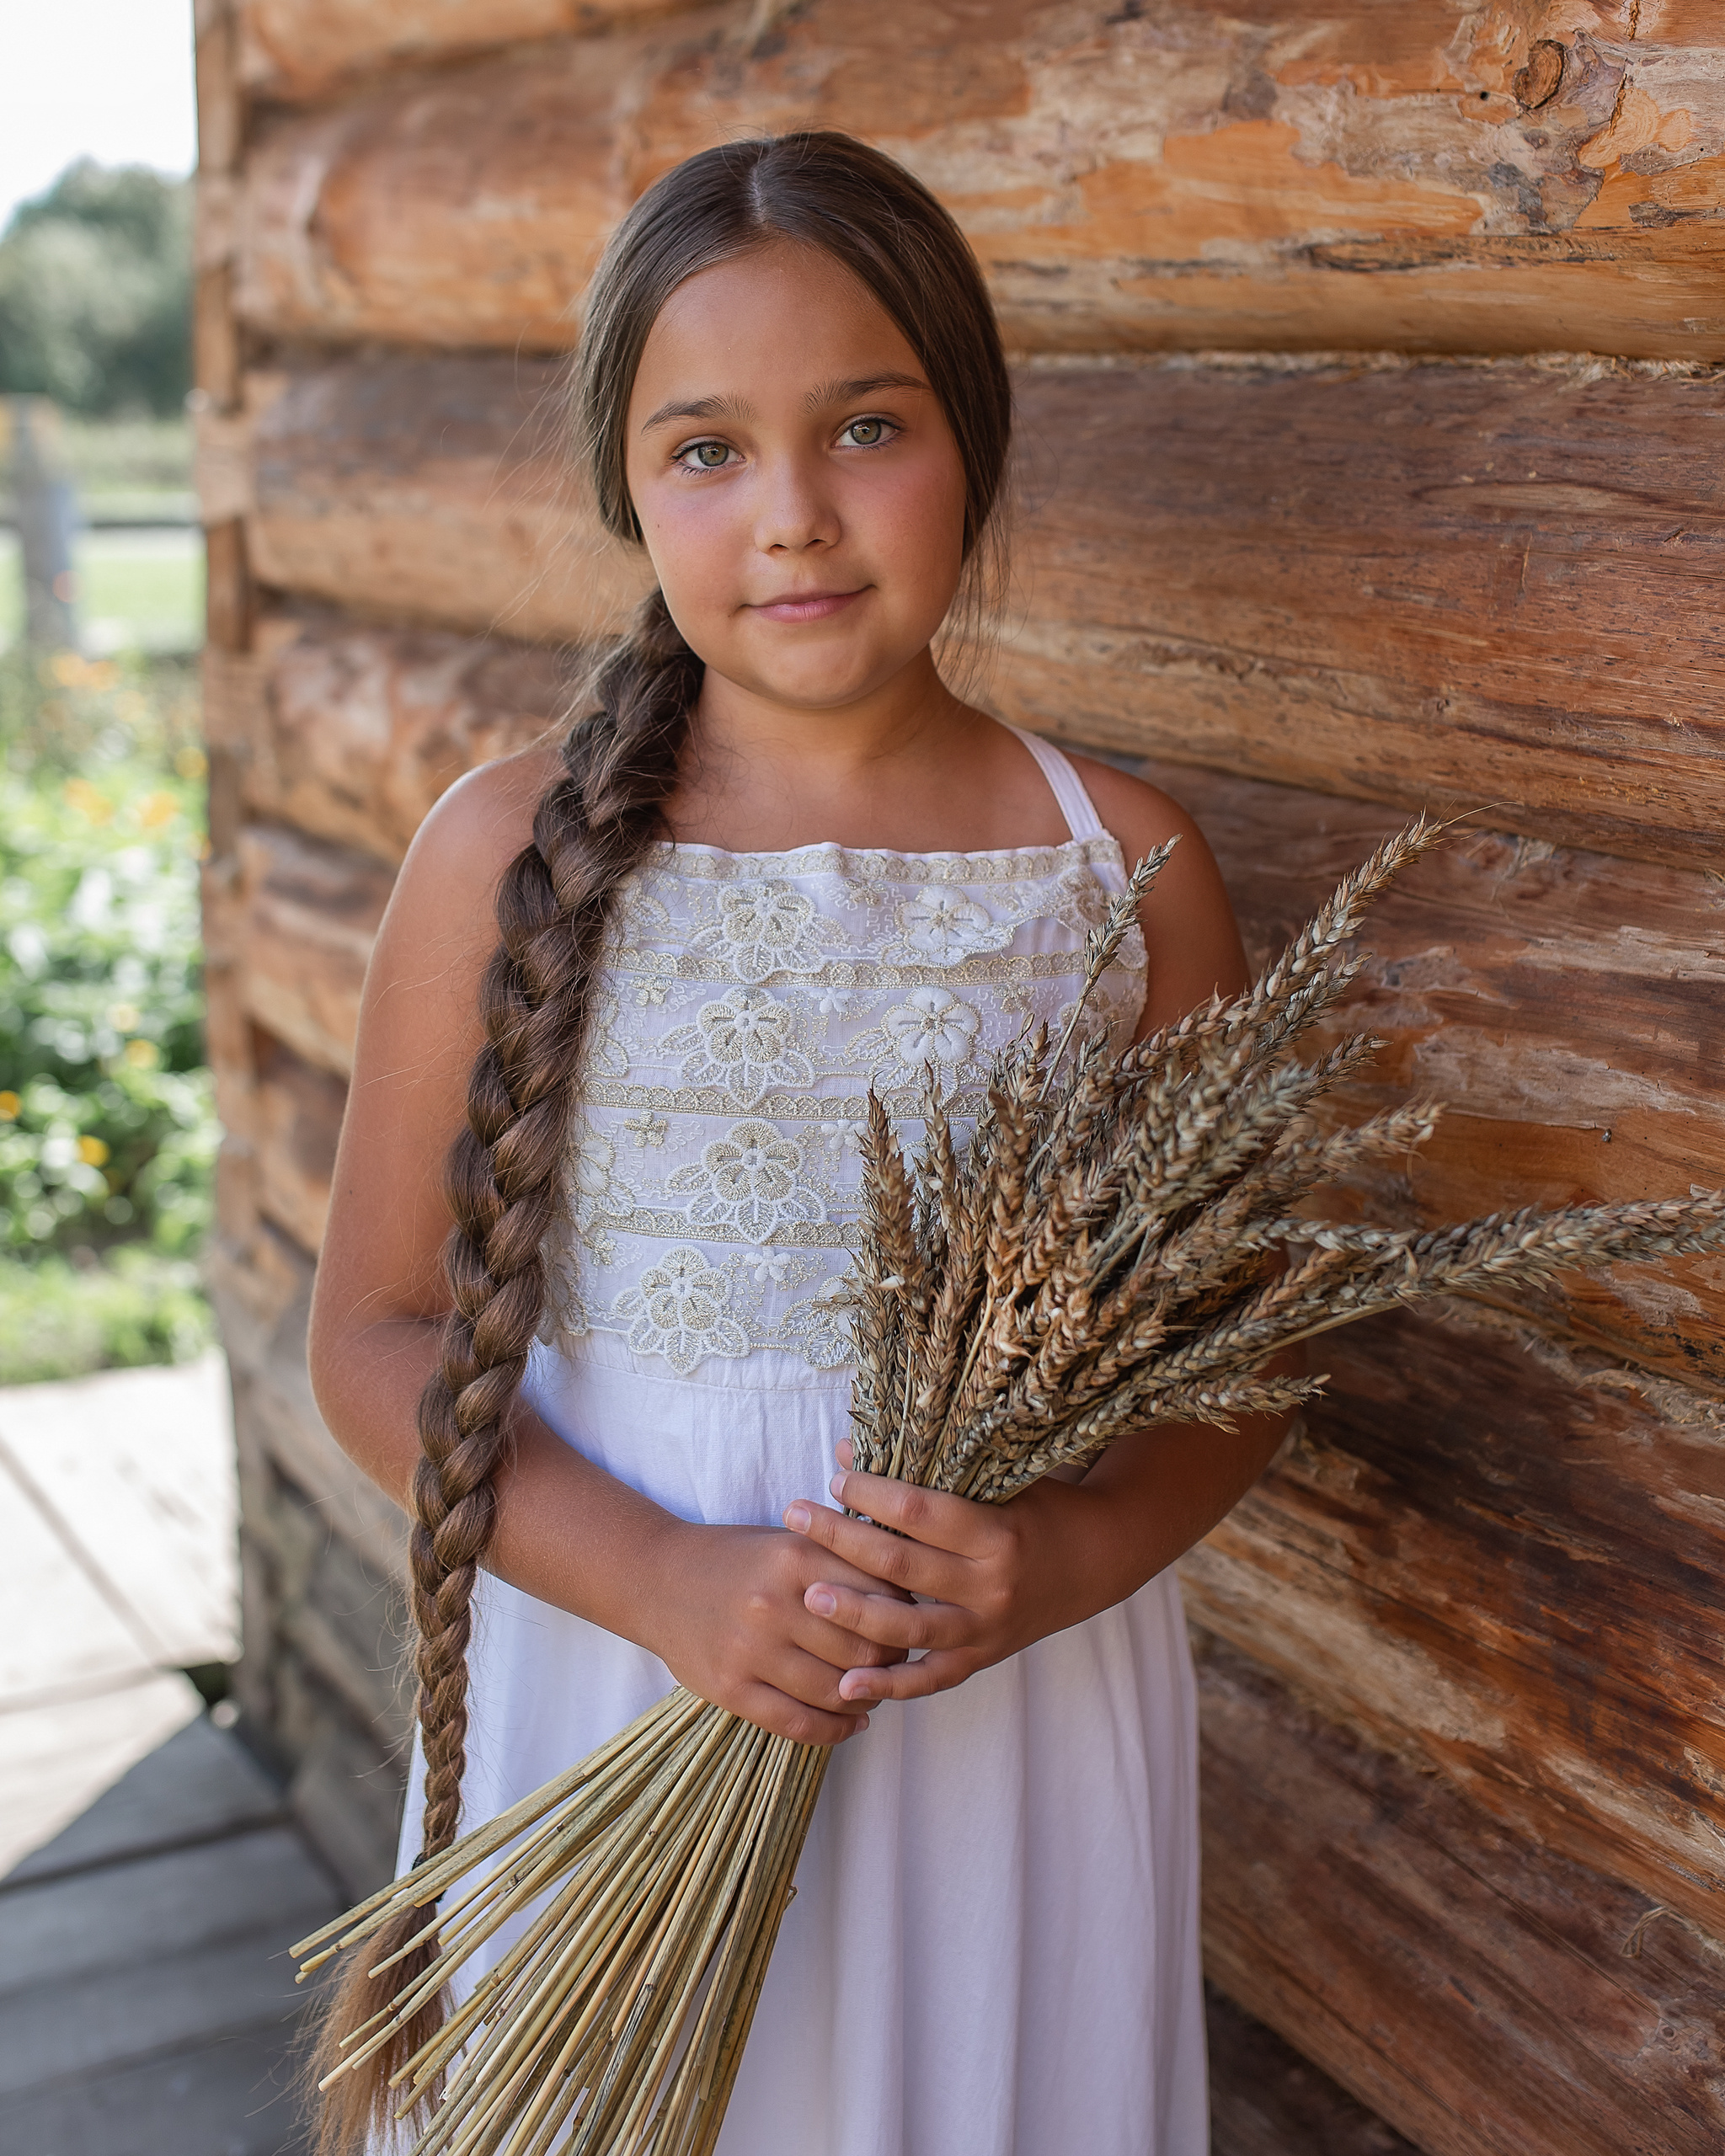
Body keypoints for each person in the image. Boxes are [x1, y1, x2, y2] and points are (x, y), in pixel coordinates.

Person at [307, 131, 1290, 2156]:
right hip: (619, 1672)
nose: (793, 513)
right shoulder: (505, 856)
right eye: (706, 449)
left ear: (972, 439)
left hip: (998, 1714)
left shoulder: (1122, 870)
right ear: (627, 489)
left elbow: (1241, 1355)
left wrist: (1057, 1557)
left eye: (865, 425)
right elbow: (377, 1337)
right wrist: (662, 1574)